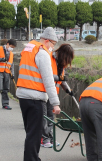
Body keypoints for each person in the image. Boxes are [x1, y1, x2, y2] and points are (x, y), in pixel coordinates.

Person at [16, 27, 61, 161]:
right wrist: (56, 103)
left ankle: (33, 158)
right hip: (35, 98)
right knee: (35, 134)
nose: (52, 47)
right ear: (47, 41)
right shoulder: (42, 53)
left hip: (23, 96)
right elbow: (48, 81)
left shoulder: (29, 50)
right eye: (53, 44)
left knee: (30, 132)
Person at [41, 44, 74, 148]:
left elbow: (61, 79)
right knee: (44, 117)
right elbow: (47, 75)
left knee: (51, 117)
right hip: (43, 91)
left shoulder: (61, 64)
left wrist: (68, 90)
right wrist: (59, 78)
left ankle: (50, 137)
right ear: (63, 55)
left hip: (53, 93)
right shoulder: (49, 57)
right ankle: (43, 139)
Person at [0, 39, 16, 110]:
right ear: (7, 44)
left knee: (6, 89)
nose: (12, 48)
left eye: (13, 48)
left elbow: (12, 64)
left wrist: (12, 74)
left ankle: (5, 104)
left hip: (7, 72)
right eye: (11, 46)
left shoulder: (11, 53)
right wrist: (1, 59)